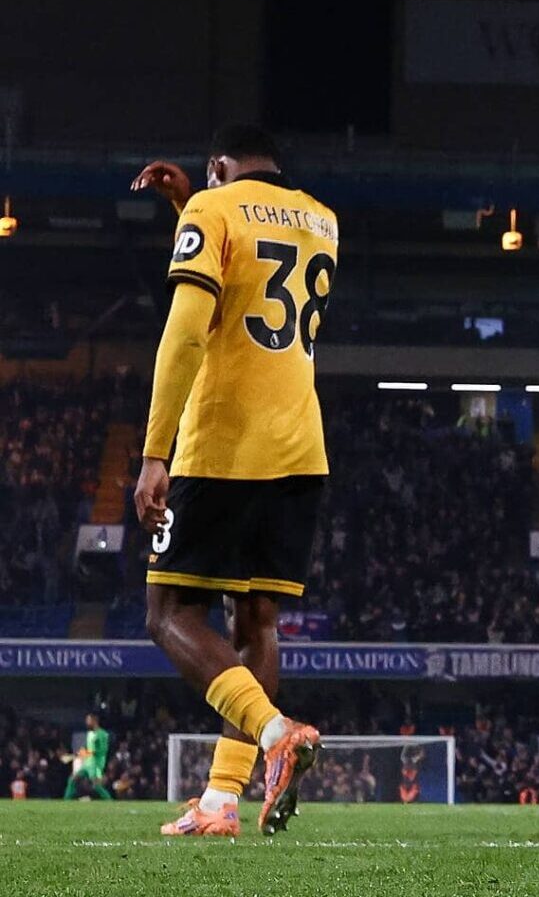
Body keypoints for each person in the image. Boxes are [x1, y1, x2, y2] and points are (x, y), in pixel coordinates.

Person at [128, 124, 333, 838]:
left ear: (218, 165)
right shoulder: (320, 219)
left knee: (167, 612)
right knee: (257, 622)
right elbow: (256, 254)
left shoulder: (212, 212)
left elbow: (187, 333)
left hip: (221, 446)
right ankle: (222, 800)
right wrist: (193, 204)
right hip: (300, 448)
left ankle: (277, 736)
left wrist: (155, 452)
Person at [62, 714, 111, 800]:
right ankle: (66, 801)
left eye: (88, 720)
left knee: (96, 786)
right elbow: (88, 749)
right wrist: (74, 756)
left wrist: (90, 752)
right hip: (88, 764)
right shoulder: (90, 733)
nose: (86, 722)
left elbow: (103, 750)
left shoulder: (102, 734)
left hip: (96, 764)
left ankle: (110, 801)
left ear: (94, 721)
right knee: (72, 780)